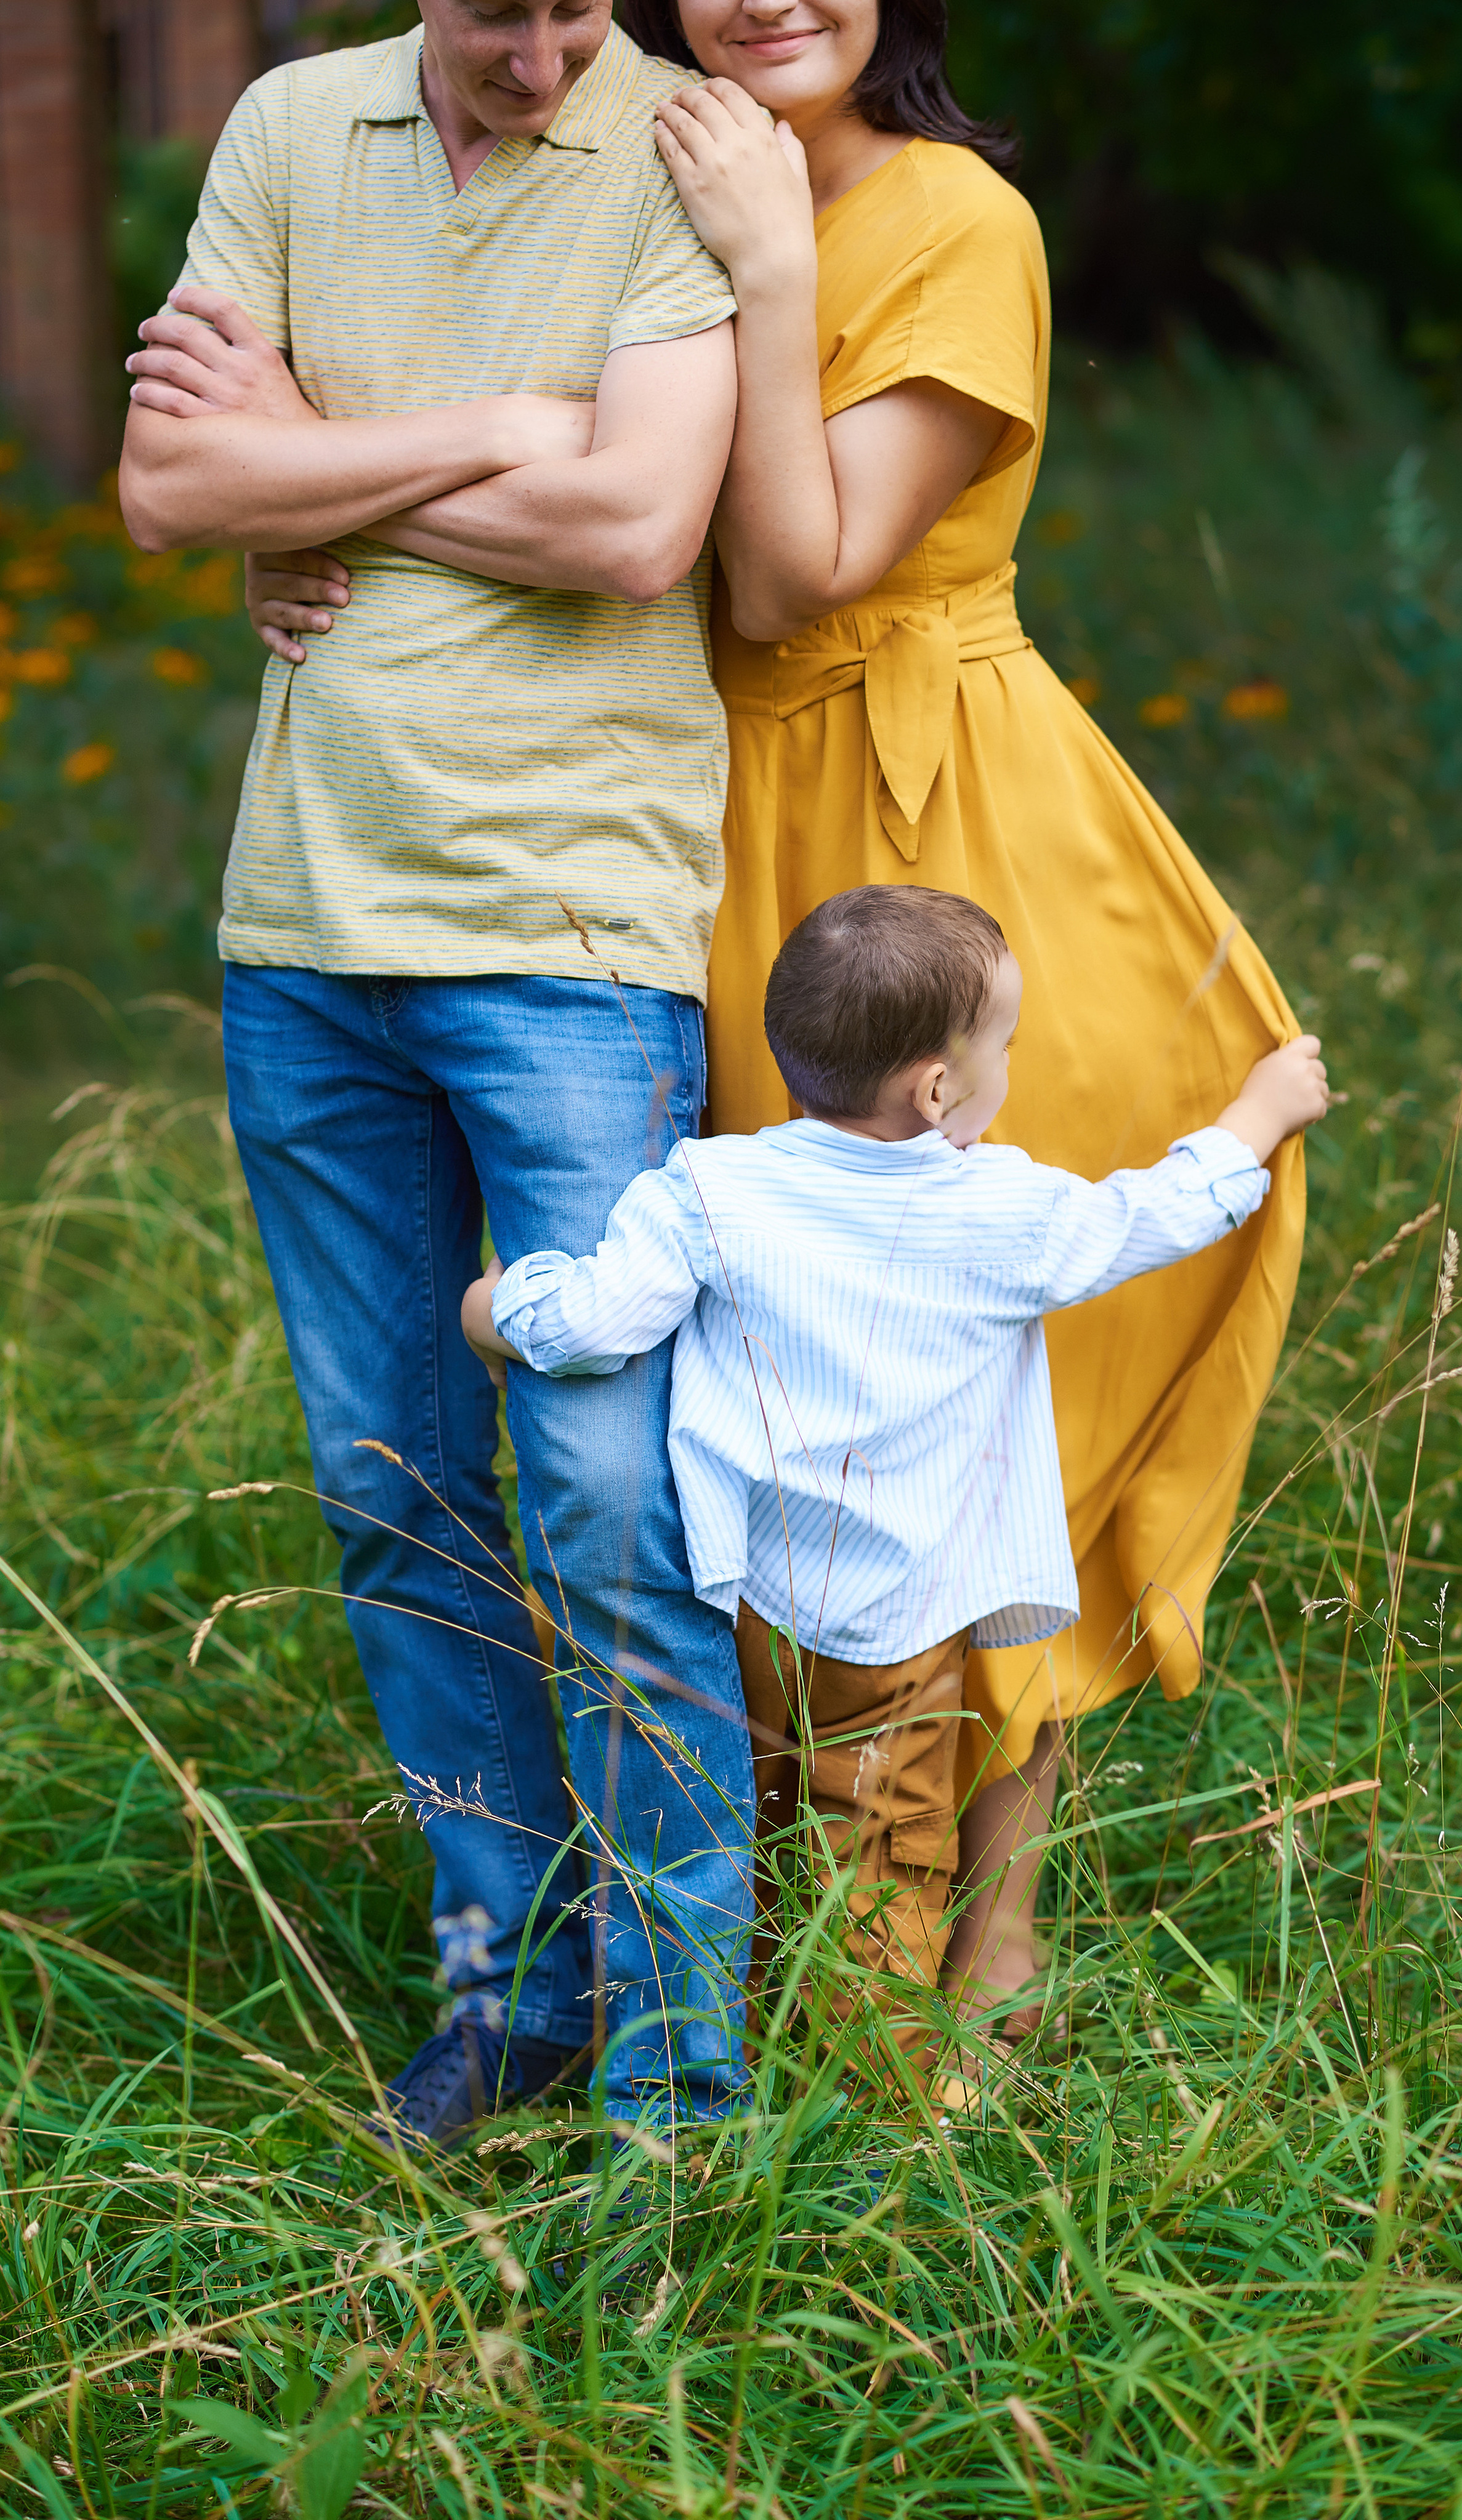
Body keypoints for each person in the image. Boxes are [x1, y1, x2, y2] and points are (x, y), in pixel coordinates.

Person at [244, 1, 1307, 2044]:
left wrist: (757, 269)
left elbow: (794, 577)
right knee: (761, 1359)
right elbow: (365, 447)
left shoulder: (957, 217)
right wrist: (312, 515)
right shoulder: (605, 169)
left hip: (941, 821)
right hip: (683, 823)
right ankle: (729, 1912)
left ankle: (991, 1926)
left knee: (999, 1378)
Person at [118, 0, 759, 2146]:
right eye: (504, 16)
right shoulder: (297, 127)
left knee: (603, 1504)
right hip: (303, 931)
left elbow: (638, 536)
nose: (547, 55)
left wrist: (325, 458)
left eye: (584, 8)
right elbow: (169, 483)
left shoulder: (679, 142)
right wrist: (505, 421)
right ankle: (515, 1989)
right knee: (394, 1493)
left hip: (572, 941)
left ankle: (679, 2062)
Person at [459, 888, 1330, 2080]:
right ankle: (888, 2102)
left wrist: (497, 1306)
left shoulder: (707, 1187)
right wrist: (1255, 1113)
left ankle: (731, 2039)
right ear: (935, 1090)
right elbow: (1149, 1215)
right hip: (897, 1635)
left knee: (745, 1820)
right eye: (1006, 1047)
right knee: (880, 1858)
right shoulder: (998, 1209)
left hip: (745, 1606)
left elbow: (598, 1316)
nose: (1009, 1069)